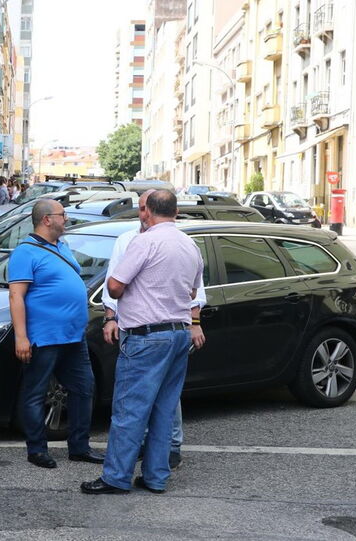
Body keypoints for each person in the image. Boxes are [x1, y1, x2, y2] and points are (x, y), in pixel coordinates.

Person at [81, 190, 205, 495]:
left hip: (147, 336)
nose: (141, 215)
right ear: (175, 212)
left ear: (148, 211)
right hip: (178, 333)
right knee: (163, 410)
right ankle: (156, 477)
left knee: (129, 410)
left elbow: (114, 286)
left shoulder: (145, 241)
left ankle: (116, 477)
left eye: (141, 210)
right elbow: (192, 292)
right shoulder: (190, 245)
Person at [8, 199, 104, 469]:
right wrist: (21, 337)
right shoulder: (25, 253)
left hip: (74, 336)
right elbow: (16, 296)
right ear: (47, 219)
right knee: (35, 393)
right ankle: (37, 449)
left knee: (84, 389)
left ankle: (79, 447)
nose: (67, 219)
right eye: (63, 215)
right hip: (45, 337)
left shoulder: (62, 246)